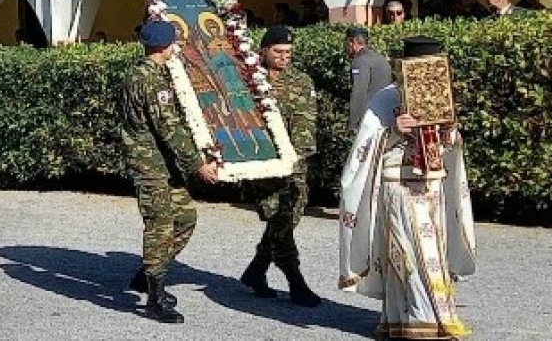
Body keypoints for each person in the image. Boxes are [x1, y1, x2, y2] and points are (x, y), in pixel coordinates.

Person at [339, 36, 476, 340]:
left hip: (433, 186)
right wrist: (392, 131)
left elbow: (451, 146)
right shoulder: (384, 100)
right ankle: (413, 319)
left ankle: (434, 316)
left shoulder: (442, 94)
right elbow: (363, 151)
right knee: (408, 255)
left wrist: (449, 133)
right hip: (398, 186)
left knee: (434, 254)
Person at [120, 20, 219, 324]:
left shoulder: (149, 73)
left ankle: (148, 274)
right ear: (165, 46)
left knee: (185, 218)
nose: (177, 47)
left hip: (164, 165)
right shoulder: (149, 79)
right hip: (151, 166)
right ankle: (154, 298)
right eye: (174, 43)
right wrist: (198, 165)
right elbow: (169, 128)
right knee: (160, 227)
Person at [239, 25, 321, 307]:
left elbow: (305, 123)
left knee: (287, 219)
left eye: (288, 52)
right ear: (263, 51)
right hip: (263, 164)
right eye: (278, 51)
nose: (285, 56)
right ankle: (295, 282)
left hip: (293, 164)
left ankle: (256, 270)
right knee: (280, 219)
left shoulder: (301, 81)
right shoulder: (249, 81)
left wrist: (296, 156)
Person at [345, 27, 393, 133]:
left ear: (352, 42)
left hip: (368, 120)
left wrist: (353, 123)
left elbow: (359, 92)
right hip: (386, 117)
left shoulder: (360, 61)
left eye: (346, 43)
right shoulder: (380, 59)